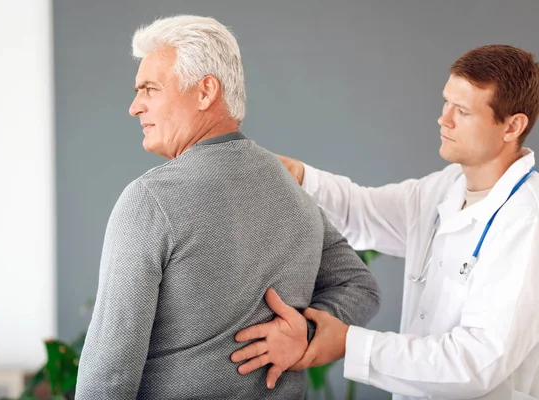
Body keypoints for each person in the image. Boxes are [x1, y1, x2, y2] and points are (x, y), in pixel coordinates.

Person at [75, 15, 380, 400]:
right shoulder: (292, 192)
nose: (135, 107)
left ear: (206, 91)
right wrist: (303, 332)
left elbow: (108, 375)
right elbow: (359, 286)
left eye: (150, 89)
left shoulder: (149, 201)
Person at [232, 44, 539, 400]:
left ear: (512, 126)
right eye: (446, 102)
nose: (444, 119)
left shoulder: (527, 220)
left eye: (463, 111)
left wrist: (352, 344)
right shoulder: (445, 188)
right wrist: (300, 176)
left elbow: (477, 363)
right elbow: (362, 213)